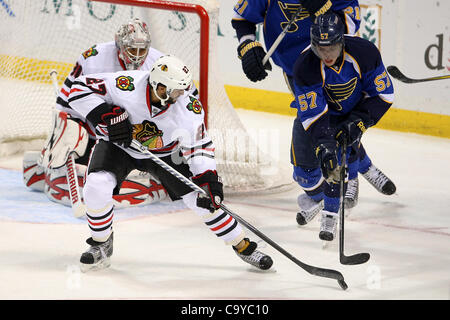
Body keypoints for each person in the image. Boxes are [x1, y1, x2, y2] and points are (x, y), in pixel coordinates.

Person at [67, 54, 273, 272]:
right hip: (119, 146)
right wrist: (106, 115)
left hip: (165, 154)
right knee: (97, 186)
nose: (181, 95)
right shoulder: (126, 85)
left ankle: (243, 246)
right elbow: (77, 89)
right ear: (159, 86)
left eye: (183, 89)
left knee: (203, 200)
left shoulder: (188, 108)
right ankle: (101, 243)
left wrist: (209, 180)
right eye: (176, 90)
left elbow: (199, 147)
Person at [231, 0, 396, 227]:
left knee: (343, 116)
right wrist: (248, 46)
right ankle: (361, 164)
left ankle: (354, 170)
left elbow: (349, 34)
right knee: (321, 121)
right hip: (298, 70)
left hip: (337, 65)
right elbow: (243, 19)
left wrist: (325, 11)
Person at [23, 18, 196, 208]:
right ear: (119, 45)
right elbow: (67, 99)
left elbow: (187, 101)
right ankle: (54, 167)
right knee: (71, 131)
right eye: (132, 50)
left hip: (141, 133)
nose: (137, 56)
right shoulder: (93, 57)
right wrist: (72, 128)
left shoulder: (162, 63)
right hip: (98, 129)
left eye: (142, 50)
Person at [292, 12, 394, 240]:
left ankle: (331, 212)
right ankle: (364, 166)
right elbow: (314, 115)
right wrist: (324, 145)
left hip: (352, 112)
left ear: (341, 42)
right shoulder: (305, 66)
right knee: (304, 176)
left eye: (331, 48)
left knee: (342, 154)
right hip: (319, 117)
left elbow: (383, 95)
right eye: (320, 48)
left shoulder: (364, 53)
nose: (326, 55)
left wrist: (360, 120)